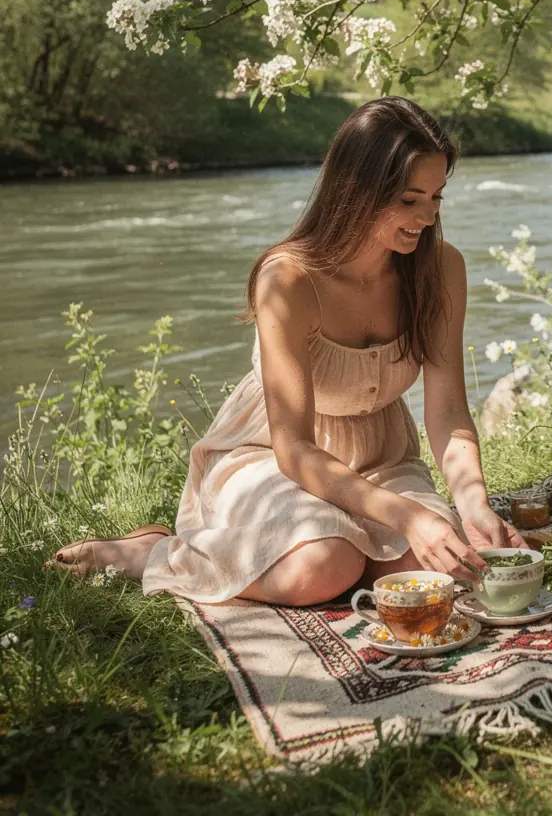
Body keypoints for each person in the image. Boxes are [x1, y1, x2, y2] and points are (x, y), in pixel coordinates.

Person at [52, 97, 523, 604]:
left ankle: (355, 543)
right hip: (270, 458)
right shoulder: (288, 280)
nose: (427, 218)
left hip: (380, 455)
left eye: (437, 198)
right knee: (322, 567)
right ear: (357, 190)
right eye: (410, 200)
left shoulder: (441, 268)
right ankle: (151, 553)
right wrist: (407, 514)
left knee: (439, 572)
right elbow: (293, 449)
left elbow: (449, 410)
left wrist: (472, 500)